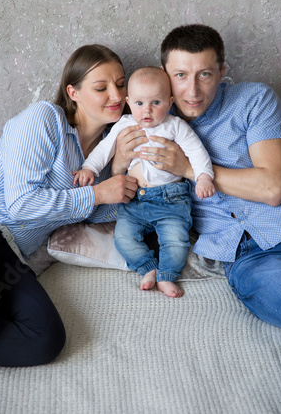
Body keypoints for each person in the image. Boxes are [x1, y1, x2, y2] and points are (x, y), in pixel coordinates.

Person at [120, 23, 281, 346]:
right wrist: (120, 163)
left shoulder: (254, 100)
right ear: (165, 74)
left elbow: (273, 188)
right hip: (251, 257)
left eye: (204, 74)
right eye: (180, 76)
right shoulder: (143, 123)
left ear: (222, 71)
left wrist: (188, 168)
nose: (192, 92)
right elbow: (119, 197)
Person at [0, 44, 139, 367]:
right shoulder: (45, 119)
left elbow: (102, 212)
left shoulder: (105, 155)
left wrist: (117, 171)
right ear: (72, 92)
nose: (116, 95)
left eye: (121, 84)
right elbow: (21, 204)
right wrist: (98, 194)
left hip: (9, 255)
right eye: (101, 87)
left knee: (46, 338)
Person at [73, 66, 215, 297]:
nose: (146, 110)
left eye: (156, 103)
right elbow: (104, 149)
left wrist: (204, 177)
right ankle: (147, 268)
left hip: (171, 199)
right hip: (134, 201)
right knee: (123, 239)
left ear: (169, 102)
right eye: (139, 103)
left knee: (176, 241)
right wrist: (89, 167)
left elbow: (197, 152)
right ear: (129, 102)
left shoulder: (175, 126)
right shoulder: (125, 124)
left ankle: (167, 275)